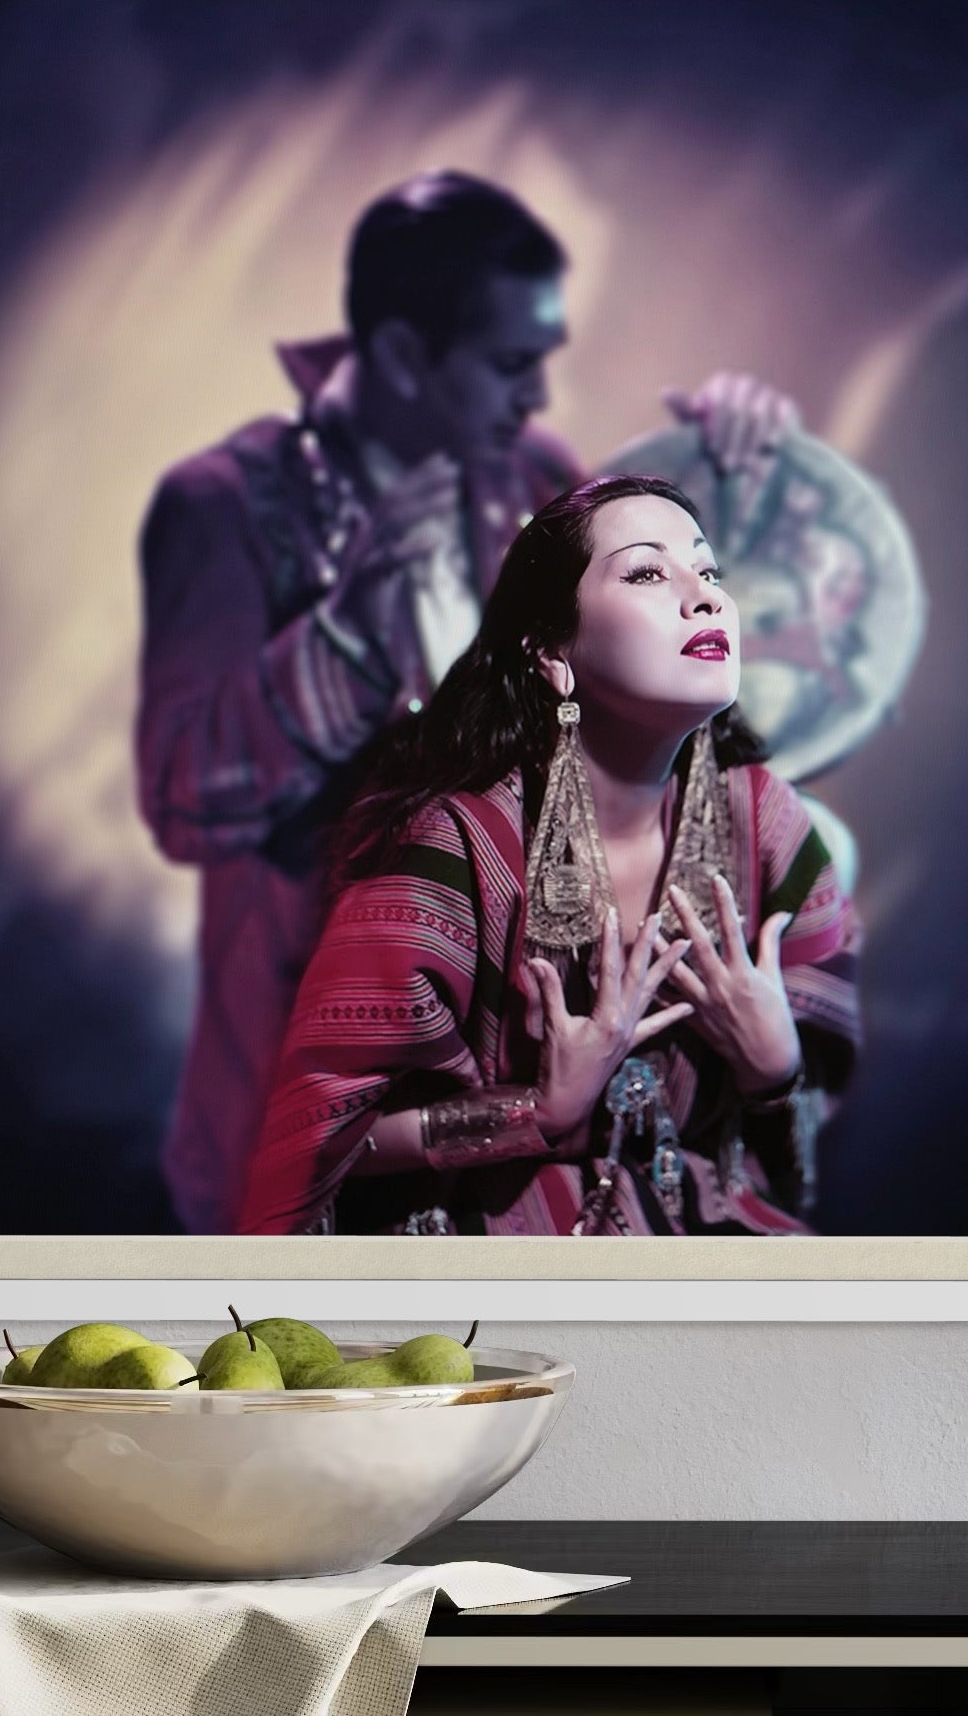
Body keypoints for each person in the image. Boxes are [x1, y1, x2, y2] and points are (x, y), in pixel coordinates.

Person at [137, 172, 799, 1233]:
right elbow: (182, 801)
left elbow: (635, 633)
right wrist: (347, 635)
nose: (540, 399)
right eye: (509, 364)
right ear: (402, 354)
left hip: (526, 1045)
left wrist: (734, 474)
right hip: (314, 1037)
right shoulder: (226, 504)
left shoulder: (521, 467)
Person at [235, 475, 861, 1237]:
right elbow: (316, 1143)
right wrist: (537, 1112)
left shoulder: (769, 826)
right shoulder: (453, 847)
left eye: (709, 571)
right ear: (553, 653)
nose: (705, 598)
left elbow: (798, 1140)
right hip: (487, 1285)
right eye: (646, 572)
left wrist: (774, 1068)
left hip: (702, 1259)